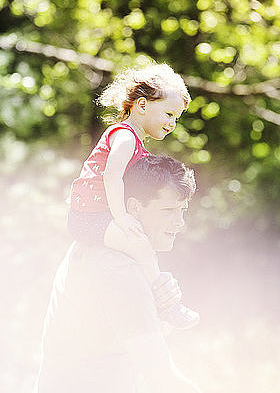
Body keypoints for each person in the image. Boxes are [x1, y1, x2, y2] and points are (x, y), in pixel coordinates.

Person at [34, 155, 203, 393]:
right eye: (168, 210)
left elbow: (135, 333)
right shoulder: (119, 270)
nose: (179, 223)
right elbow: (161, 377)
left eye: (182, 210)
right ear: (134, 207)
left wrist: (162, 306)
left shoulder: (101, 246)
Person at [67, 63, 199, 328]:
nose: (172, 123)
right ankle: (167, 305)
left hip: (98, 215)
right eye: (169, 114)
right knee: (138, 242)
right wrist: (122, 218)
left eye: (176, 118)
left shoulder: (135, 141)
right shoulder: (125, 137)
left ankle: (157, 295)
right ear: (142, 105)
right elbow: (111, 176)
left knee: (141, 243)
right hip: (89, 219)